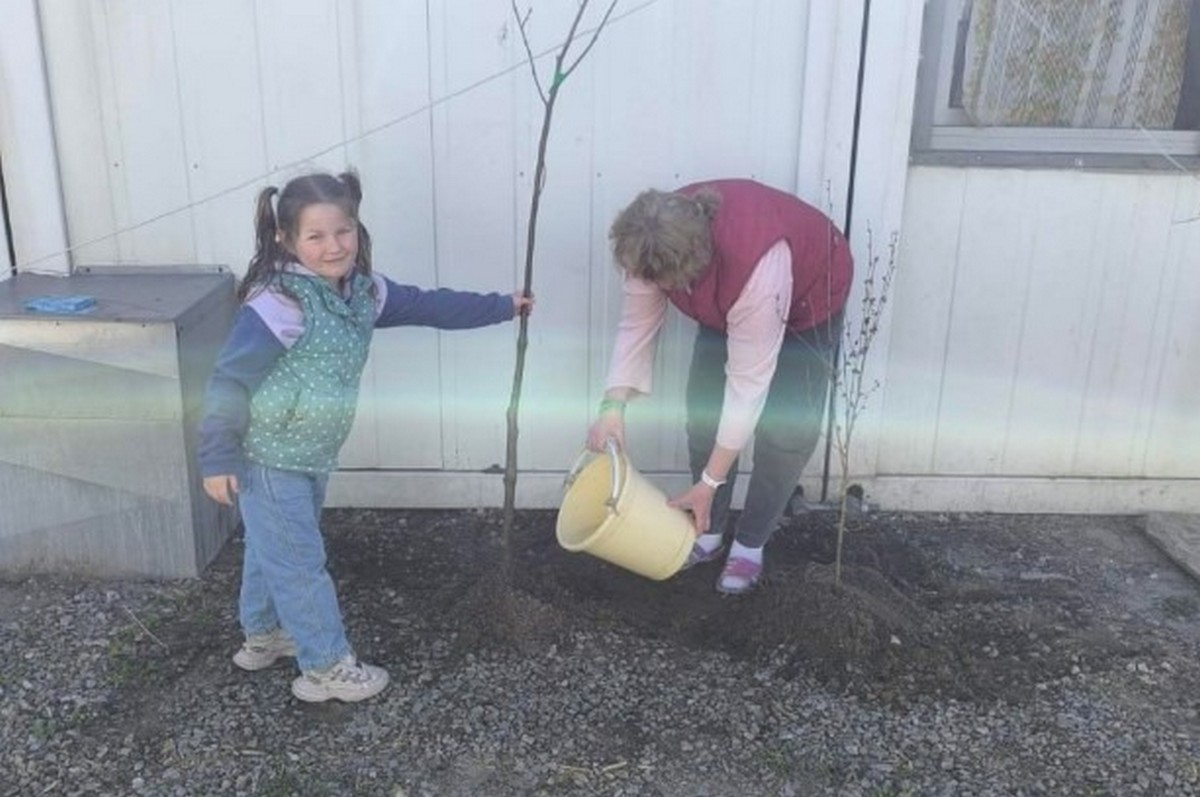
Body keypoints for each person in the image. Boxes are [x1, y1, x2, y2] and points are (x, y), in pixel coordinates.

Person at [199, 171, 532, 703]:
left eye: (344, 231)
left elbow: (428, 304)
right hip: (267, 455)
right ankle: (325, 667)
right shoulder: (279, 304)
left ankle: (263, 636)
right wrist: (217, 457)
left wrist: (500, 306)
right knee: (301, 563)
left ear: (357, 228)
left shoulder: (361, 292)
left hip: (311, 453)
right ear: (286, 239)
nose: (334, 246)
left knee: (274, 547)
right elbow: (229, 381)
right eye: (316, 236)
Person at [586, 179, 852, 595]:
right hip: (727, 298)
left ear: (692, 269)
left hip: (809, 298)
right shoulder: (647, 239)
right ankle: (708, 533)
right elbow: (637, 323)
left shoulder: (757, 266)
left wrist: (710, 482)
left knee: (786, 430)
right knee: (706, 412)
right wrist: (612, 407)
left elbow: (748, 386)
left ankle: (750, 543)